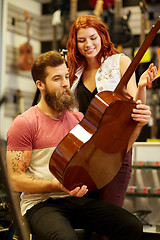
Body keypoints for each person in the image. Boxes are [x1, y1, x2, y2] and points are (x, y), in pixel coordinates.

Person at [6, 50, 144, 240]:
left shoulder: (79, 119)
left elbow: (111, 154)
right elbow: (15, 179)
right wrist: (56, 185)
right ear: (40, 85)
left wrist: (138, 126)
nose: (65, 84)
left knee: (132, 226)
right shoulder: (25, 123)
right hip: (40, 204)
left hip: (75, 200)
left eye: (66, 76)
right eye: (56, 79)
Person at [66, 15, 158, 207]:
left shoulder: (120, 62)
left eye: (93, 37)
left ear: (102, 36)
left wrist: (141, 86)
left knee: (109, 219)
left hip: (114, 153)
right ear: (75, 43)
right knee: (86, 216)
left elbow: (136, 109)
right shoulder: (75, 72)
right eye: (81, 40)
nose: (88, 44)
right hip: (82, 154)